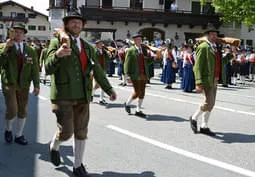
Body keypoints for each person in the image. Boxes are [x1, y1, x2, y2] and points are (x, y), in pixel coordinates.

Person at [45, 11, 116, 177]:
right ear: (66, 24)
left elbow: (96, 69)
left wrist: (108, 89)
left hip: (83, 95)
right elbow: (47, 68)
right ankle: (54, 145)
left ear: (83, 26)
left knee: (81, 131)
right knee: (66, 132)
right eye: (72, 22)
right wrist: (58, 55)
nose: (76, 25)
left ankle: (78, 166)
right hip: (63, 95)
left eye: (79, 22)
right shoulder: (56, 42)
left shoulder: (88, 47)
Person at [0, 23, 40, 145]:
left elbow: (34, 69)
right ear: (11, 33)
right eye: (16, 32)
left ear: (24, 35)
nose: (18, 34)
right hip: (10, 83)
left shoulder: (30, 50)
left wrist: (37, 84)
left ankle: (19, 135)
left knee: (22, 110)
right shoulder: (3, 46)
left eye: (21, 32)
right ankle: (8, 130)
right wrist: (7, 47)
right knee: (12, 110)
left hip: (24, 84)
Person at [189, 23, 220, 136]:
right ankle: (194, 117)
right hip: (206, 80)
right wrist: (198, 82)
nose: (214, 36)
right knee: (209, 102)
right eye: (211, 34)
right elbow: (197, 66)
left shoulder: (215, 47)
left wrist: (230, 55)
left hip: (215, 79)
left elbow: (219, 63)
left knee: (211, 104)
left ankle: (204, 126)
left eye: (215, 34)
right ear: (207, 35)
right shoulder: (203, 47)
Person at [124, 33, 153, 117]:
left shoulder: (143, 50)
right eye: (137, 39)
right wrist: (127, 76)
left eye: (140, 39)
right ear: (134, 41)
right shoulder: (130, 50)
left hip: (143, 74)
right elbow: (126, 64)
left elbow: (146, 62)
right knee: (137, 92)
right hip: (134, 74)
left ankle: (138, 110)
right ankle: (127, 103)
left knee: (142, 93)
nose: (139, 41)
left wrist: (153, 58)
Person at [93, 39, 113, 105]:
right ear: (97, 45)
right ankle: (91, 95)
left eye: (102, 43)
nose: (102, 45)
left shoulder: (104, 51)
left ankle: (101, 99)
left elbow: (108, 59)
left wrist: (110, 55)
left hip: (103, 69)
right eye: (100, 44)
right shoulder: (95, 51)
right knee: (97, 85)